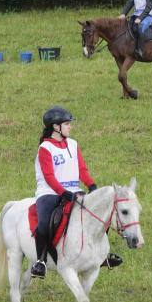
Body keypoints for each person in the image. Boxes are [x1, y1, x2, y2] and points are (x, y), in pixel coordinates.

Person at [31, 106, 98, 278]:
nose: (70, 127)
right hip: (49, 192)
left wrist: (92, 186)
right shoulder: (45, 148)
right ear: (55, 127)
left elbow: (81, 169)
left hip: (74, 190)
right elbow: (49, 176)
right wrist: (63, 192)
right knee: (44, 224)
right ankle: (40, 261)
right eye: (67, 124)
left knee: (98, 213)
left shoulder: (73, 144)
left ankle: (100, 255)